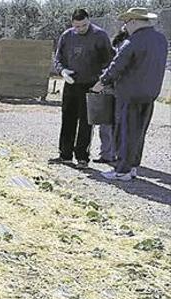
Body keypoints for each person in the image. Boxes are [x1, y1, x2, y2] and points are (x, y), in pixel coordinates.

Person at [92, 8, 168, 181]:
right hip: (150, 94)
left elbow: (117, 66)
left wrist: (102, 82)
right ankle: (133, 167)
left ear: (134, 21)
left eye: (126, 22)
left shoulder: (132, 41)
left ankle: (122, 170)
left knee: (124, 132)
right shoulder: (161, 40)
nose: (125, 26)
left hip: (129, 94)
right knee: (139, 132)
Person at [49, 9, 113, 168]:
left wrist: (102, 81)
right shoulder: (67, 36)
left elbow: (109, 61)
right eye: (77, 26)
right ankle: (65, 155)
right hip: (70, 84)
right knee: (67, 119)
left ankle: (82, 158)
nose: (80, 29)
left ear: (89, 20)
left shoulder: (100, 36)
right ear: (72, 23)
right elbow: (58, 59)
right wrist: (62, 71)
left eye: (84, 25)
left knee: (86, 122)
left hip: (90, 85)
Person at [94, 29, 130, 165]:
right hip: (116, 89)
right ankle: (112, 154)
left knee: (108, 123)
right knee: (112, 123)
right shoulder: (121, 46)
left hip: (114, 89)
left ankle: (109, 154)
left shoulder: (121, 46)